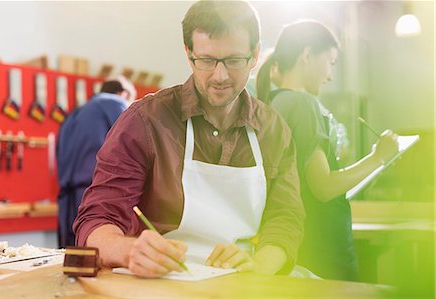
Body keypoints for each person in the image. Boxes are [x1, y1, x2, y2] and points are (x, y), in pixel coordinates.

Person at [73, 0, 305, 278]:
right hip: (159, 283)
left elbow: (286, 218)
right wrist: (127, 250)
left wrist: (260, 266)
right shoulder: (145, 121)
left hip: (243, 282)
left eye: (233, 60)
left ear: (255, 55)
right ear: (189, 54)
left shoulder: (273, 129)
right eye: (206, 61)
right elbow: (97, 219)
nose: (220, 76)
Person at [256, 20, 399, 281]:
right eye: (330, 62)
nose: (331, 75)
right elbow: (323, 187)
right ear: (307, 55)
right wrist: (379, 157)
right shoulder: (302, 104)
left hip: (298, 248)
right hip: (322, 251)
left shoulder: (275, 102)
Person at [56, 76, 136, 248]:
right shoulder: (117, 106)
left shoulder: (76, 113)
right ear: (124, 94)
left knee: (70, 256)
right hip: (98, 196)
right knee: (97, 256)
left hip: (69, 198)